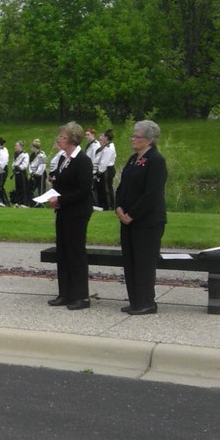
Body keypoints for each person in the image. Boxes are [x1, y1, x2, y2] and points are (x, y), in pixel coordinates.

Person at [115, 120, 168, 315]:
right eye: (133, 135)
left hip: (147, 222)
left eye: (137, 136)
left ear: (149, 140)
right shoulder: (132, 159)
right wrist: (119, 207)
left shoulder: (156, 160)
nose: (133, 139)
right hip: (126, 220)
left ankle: (147, 302)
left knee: (144, 263)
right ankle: (135, 300)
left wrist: (132, 214)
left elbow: (152, 194)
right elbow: (122, 187)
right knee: (130, 262)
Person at [46, 122, 94, 311]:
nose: (59, 140)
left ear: (73, 139)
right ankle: (64, 293)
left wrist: (61, 199)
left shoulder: (82, 160)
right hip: (63, 210)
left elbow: (83, 190)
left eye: (63, 137)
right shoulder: (62, 159)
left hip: (77, 211)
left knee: (75, 252)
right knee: (63, 252)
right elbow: (62, 183)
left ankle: (81, 296)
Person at [95, 130, 117, 211]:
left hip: (107, 169)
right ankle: (103, 205)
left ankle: (109, 206)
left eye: (103, 136)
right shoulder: (106, 147)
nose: (101, 137)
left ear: (106, 138)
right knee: (102, 188)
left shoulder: (108, 148)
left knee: (106, 188)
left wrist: (99, 172)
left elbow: (104, 162)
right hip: (105, 169)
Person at [12, 140, 30, 207]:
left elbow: (25, 164)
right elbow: (14, 162)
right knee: (18, 187)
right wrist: (14, 167)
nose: (15, 147)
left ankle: (24, 202)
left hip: (22, 172)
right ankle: (18, 202)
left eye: (16, 146)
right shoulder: (15, 154)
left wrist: (19, 167)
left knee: (23, 187)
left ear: (21, 146)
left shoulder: (25, 154)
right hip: (16, 172)